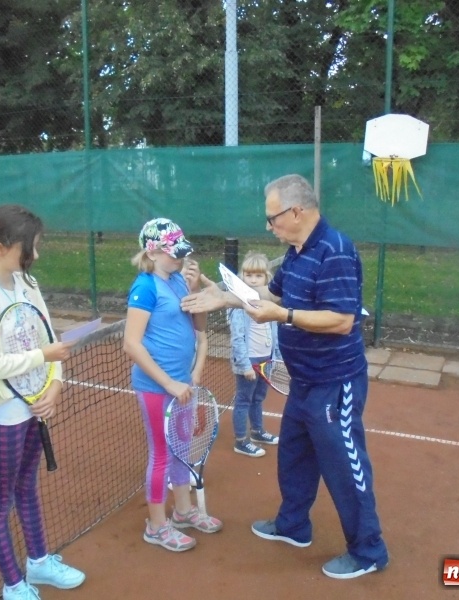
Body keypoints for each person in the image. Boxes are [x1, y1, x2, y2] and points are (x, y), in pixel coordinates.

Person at [181, 174, 389, 579]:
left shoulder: (336, 251)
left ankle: (369, 550)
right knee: (294, 456)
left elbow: (342, 320)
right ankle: (294, 526)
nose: (268, 225)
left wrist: (284, 316)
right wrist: (229, 298)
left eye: (272, 217)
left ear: (297, 211)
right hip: (303, 380)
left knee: (345, 466)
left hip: (334, 381)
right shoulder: (296, 251)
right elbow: (273, 296)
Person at [0, 204, 85, 600]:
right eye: (30, 247)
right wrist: (45, 359)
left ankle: (39, 562)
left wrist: (54, 386)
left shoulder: (27, 281)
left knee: (27, 486)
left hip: (36, 404)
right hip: (3, 413)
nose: (36, 255)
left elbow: (48, 337)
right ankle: (13, 585)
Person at [123, 217, 223, 552]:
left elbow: (201, 317)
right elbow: (132, 344)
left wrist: (197, 290)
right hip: (156, 388)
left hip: (182, 384)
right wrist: (168, 383)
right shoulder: (145, 287)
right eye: (174, 252)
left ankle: (182, 512)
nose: (180, 258)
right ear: (153, 251)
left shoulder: (180, 280)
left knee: (181, 450)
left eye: (182, 251)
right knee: (162, 454)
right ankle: (156, 526)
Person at [228, 251, 281, 457]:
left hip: (265, 358)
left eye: (258, 276)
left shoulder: (269, 302)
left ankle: (257, 431)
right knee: (244, 400)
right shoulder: (239, 305)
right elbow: (237, 338)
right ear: (242, 276)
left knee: (258, 398)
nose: (253, 280)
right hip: (248, 362)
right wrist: (244, 365)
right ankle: (241, 441)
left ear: (266, 277)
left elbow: (274, 331)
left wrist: (275, 356)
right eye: (249, 275)